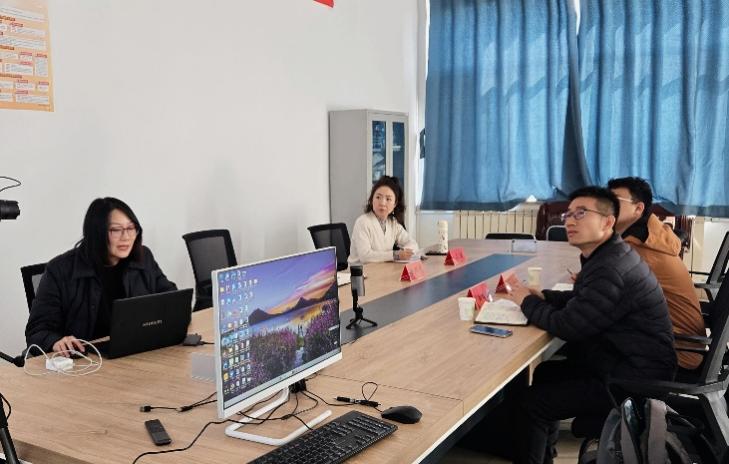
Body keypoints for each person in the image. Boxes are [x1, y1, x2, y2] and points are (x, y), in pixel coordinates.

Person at [502, 186, 676, 464]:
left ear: (607, 222)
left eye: (581, 214)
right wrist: (544, 296)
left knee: (531, 404)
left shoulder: (610, 268)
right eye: (568, 214)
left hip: (633, 379)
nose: (569, 221)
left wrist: (526, 301)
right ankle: (544, 453)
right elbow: (585, 300)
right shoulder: (608, 254)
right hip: (623, 360)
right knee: (544, 373)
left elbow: (568, 326)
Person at [25, 197, 177, 355]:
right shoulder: (59, 270)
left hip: (137, 352)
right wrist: (55, 342)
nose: (126, 237)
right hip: (87, 360)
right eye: (116, 230)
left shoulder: (143, 257)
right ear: (97, 232)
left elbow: (172, 300)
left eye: (131, 228)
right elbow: (37, 331)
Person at [608, 176, 706, 371]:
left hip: (674, 352)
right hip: (680, 343)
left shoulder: (637, 247)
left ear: (638, 208)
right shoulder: (650, 234)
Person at [348, 175, 418, 263]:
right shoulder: (362, 222)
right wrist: (396, 255)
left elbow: (413, 243)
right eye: (378, 197)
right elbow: (365, 256)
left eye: (388, 199)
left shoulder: (393, 223)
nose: (382, 203)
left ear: (395, 204)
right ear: (372, 200)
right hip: (361, 270)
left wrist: (405, 252)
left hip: (383, 268)